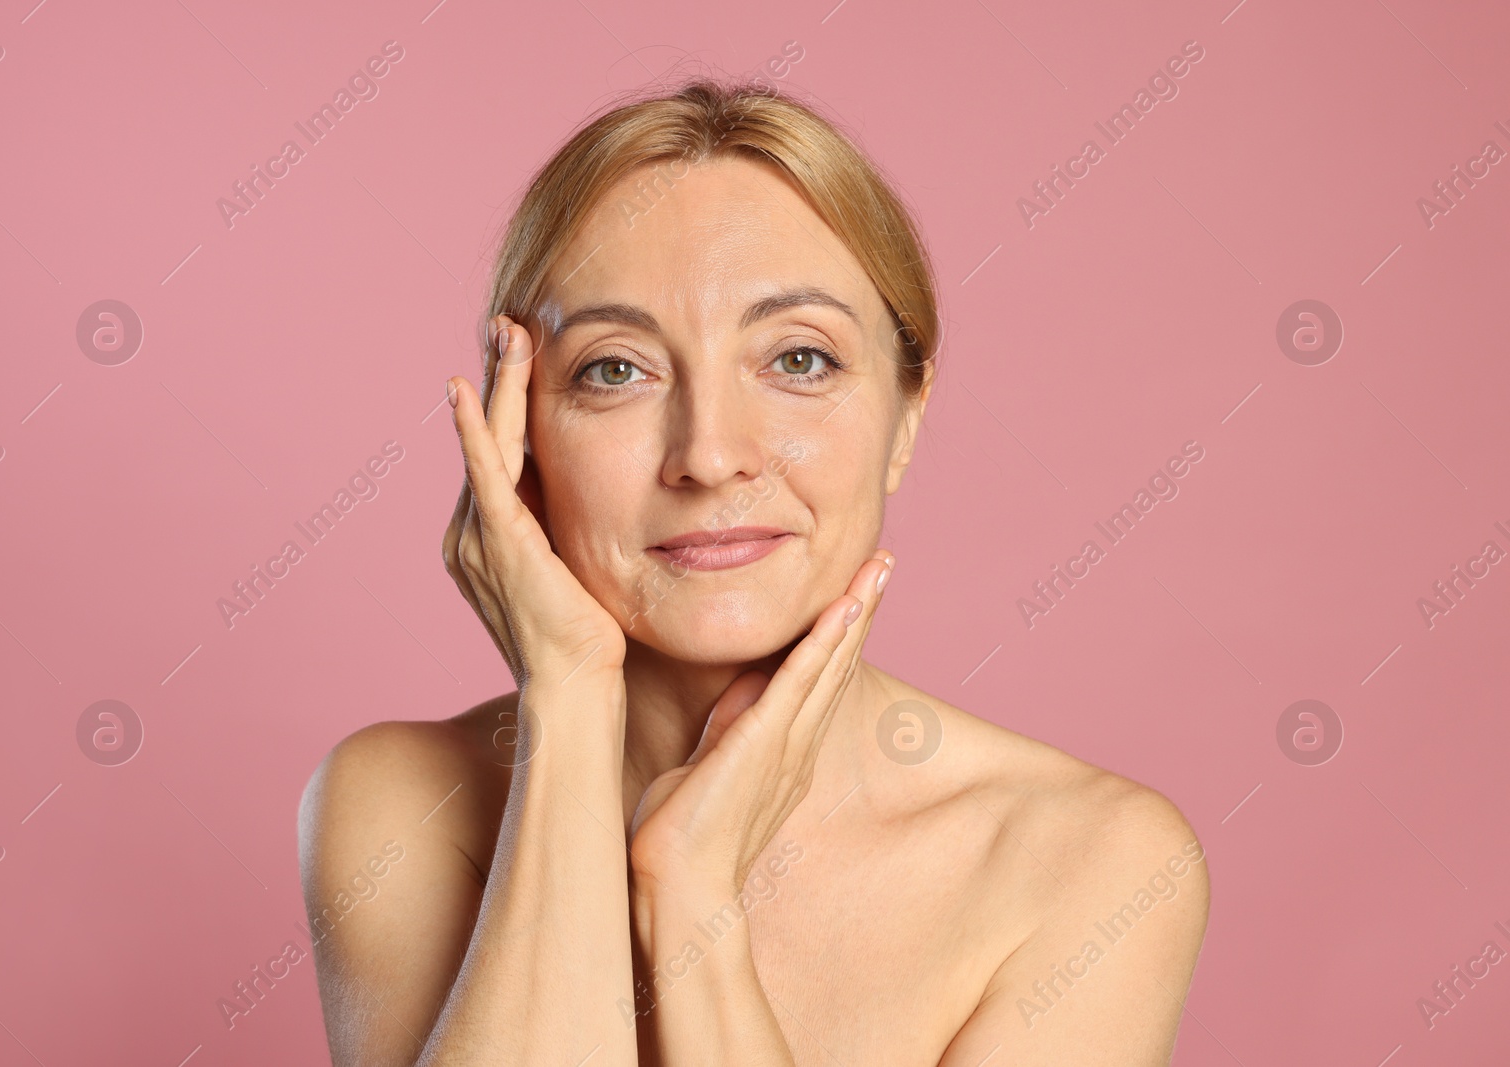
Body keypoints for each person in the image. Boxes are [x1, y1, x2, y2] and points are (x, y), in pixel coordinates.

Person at [297, 77, 1209, 1066]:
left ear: (904, 417)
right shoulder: (398, 806)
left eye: (798, 359)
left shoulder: (1092, 861)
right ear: (518, 441)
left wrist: (689, 888)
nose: (712, 453)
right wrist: (561, 699)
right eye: (615, 368)